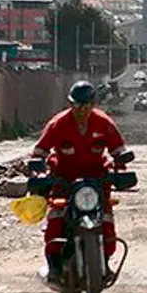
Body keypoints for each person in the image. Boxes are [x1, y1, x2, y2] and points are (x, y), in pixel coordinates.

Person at [32, 81, 128, 282]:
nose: (82, 110)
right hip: (64, 180)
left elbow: (119, 151)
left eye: (86, 105)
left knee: (106, 219)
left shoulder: (104, 123)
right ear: (70, 104)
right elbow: (40, 151)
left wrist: (121, 169)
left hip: (97, 182)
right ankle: (54, 265)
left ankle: (104, 260)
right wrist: (38, 170)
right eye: (77, 105)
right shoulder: (58, 124)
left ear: (93, 104)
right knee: (56, 219)